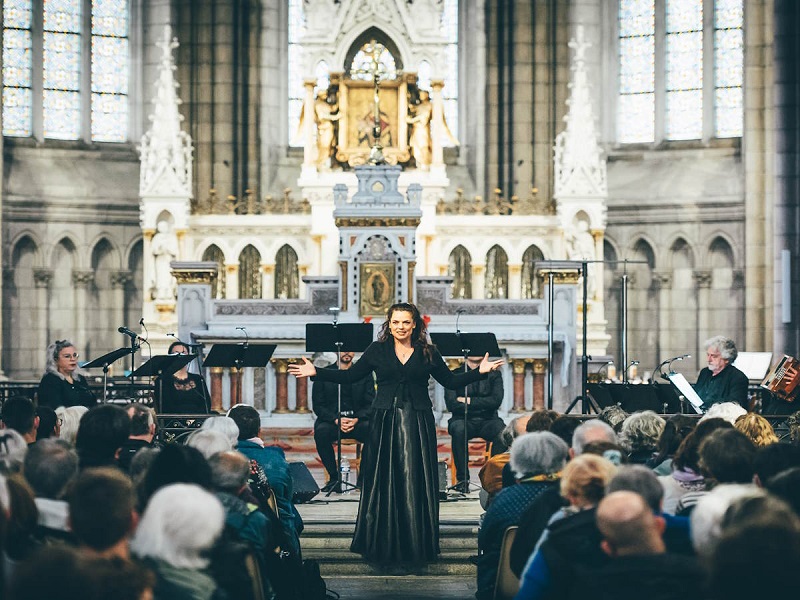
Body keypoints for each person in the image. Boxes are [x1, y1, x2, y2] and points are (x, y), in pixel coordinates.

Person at [290, 302, 504, 564]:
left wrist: (478, 373)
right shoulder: (376, 350)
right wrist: (317, 372)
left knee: (415, 477)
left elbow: (450, 381)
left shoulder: (428, 351)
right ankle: (383, 543)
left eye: (405, 322)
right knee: (385, 477)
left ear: (414, 325)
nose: (400, 327)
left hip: (418, 419)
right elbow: (350, 376)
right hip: (385, 420)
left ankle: (415, 543)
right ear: (389, 325)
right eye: (395, 322)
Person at [312, 350, 374, 493]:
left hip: (358, 421)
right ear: (337, 350)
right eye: (344, 349)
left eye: (350, 350)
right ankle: (334, 478)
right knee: (321, 432)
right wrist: (336, 419)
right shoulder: (324, 373)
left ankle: (363, 479)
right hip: (332, 421)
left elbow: (371, 402)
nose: (347, 353)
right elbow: (318, 405)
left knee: (374, 431)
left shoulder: (365, 373)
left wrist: (356, 419)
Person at [445, 354, 506, 492]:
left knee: (502, 432)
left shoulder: (494, 374)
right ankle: (463, 481)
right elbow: (452, 405)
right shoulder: (454, 374)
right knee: (458, 429)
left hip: (488, 420)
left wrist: (468, 400)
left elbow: (495, 401)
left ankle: (493, 478)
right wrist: (483, 402)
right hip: (462, 419)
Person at [36, 340, 96, 410]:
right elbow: (52, 408)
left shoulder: (80, 378)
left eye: (74, 355)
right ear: (55, 360)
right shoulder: (50, 380)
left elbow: (92, 402)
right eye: (67, 356)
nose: (73, 359)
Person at [693, 336, 749, 410]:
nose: (708, 359)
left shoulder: (738, 377)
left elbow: (735, 404)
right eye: (708, 355)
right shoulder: (705, 372)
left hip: (721, 415)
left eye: (714, 356)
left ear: (727, 359)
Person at [154, 342, 210, 414]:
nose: (180, 356)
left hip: (198, 418)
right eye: (176, 353)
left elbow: (206, 404)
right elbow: (166, 407)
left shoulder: (198, 379)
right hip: (174, 419)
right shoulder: (163, 380)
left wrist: (195, 418)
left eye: (184, 353)